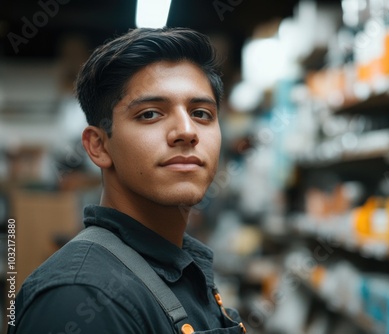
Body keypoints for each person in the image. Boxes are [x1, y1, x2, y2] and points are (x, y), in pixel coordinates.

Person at [9, 27, 245, 334]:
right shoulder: (82, 298)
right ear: (99, 145)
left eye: (201, 113)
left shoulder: (180, 266)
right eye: (150, 114)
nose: (187, 131)